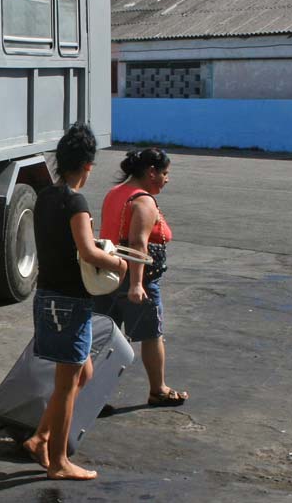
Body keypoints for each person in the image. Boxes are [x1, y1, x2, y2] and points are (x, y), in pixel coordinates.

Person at [22, 123, 127, 481]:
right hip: (70, 302)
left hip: (47, 296)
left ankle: (40, 438)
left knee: (84, 372)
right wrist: (118, 262)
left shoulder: (46, 197)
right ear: (88, 165)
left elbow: (66, 244)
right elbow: (86, 251)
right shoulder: (75, 201)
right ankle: (58, 462)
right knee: (67, 384)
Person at [95, 147, 188, 407]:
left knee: (103, 336)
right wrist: (137, 284)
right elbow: (137, 244)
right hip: (137, 279)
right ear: (151, 172)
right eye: (165, 173)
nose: (166, 179)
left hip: (109, 274)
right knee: (151, 335)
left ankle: (92, 395)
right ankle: (158, 390)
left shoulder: (115, 193)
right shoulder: (143, 200)